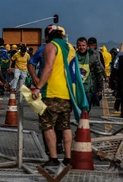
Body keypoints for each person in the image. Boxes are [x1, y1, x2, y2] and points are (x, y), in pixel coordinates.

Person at [31, 24, 88, 167]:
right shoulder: (70, 48)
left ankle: (54, 158)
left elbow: (48, 67)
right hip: (67, 92)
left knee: (48, 125)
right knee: (65, 126)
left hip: (51, 92)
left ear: (47, 36)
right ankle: (68, 158)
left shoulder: (51, 46)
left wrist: (38, 87)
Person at [76, 37, 104, 111]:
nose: (82, 47)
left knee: (86, 109)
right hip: (76, 88)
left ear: (87, 46)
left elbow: (98, 73)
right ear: (77, 46)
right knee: (78, 109)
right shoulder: (73, 57)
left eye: (83, 45)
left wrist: (100, 88)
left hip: (89, 88)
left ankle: (83, 121)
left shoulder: (93, 57)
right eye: (80, 45)